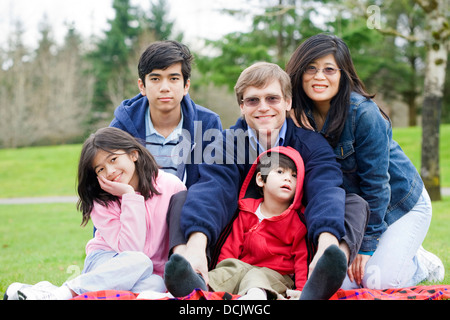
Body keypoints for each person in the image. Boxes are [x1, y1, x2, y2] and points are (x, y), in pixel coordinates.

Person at [164, 62, 369, 300]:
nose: (263, 108)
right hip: (236, 242)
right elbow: (214, 189)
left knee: (352, 202)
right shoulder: (227, 143)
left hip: (295, 248)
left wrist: (325, 243)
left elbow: (324, 189)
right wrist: (197, 246)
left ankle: (327, 268)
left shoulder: (310, 144)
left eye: (272, 98)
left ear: (288, 102)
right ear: (242, 106)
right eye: (253, 100)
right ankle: (188, 267)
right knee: (183, 198)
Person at [285, 33, 444, 289]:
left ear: (343, 74)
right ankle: (398, 252)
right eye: (311, 68)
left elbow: (377, 186)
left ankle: (422, 263)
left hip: (399, 205)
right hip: (356, 213)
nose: (319, 76)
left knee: (376, 282)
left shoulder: (364, 114)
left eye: (329, 69)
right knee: (341, 285)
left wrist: (367, 246)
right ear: (299, 71)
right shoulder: (296, 116)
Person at [3, 127, 186, 300]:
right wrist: (129, 196)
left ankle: (47, 291)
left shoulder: (171, 186)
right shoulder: (102, 199)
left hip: (150, 272)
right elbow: (132, 251)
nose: (110, 172)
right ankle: (64, 292)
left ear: (133, 154)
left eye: (113, 159)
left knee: (156, 284)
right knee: (140, 261)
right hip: (107, 261)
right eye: (100, 169)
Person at [110, 40, 222, 188]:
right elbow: (106, 181)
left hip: (190, 209)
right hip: (136, 208)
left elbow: (214, 185)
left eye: (173, 79)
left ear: (186, 86)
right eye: (155, 79)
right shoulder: (121, 127)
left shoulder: (208, 123)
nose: (164, 88)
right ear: (142, 86)